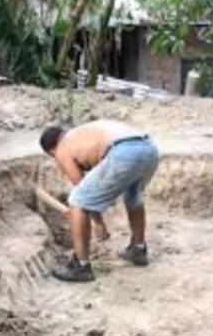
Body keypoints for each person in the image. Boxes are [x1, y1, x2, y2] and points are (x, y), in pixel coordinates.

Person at [39, 120, 160, 282]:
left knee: (77, 201)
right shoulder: (80, 134)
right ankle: (139, 249)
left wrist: (99, 222)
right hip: (149, 148)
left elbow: (81, 189)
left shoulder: (61, 150)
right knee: (133, 196)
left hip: (123, 152)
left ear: (51, 151)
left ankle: (81, 267)